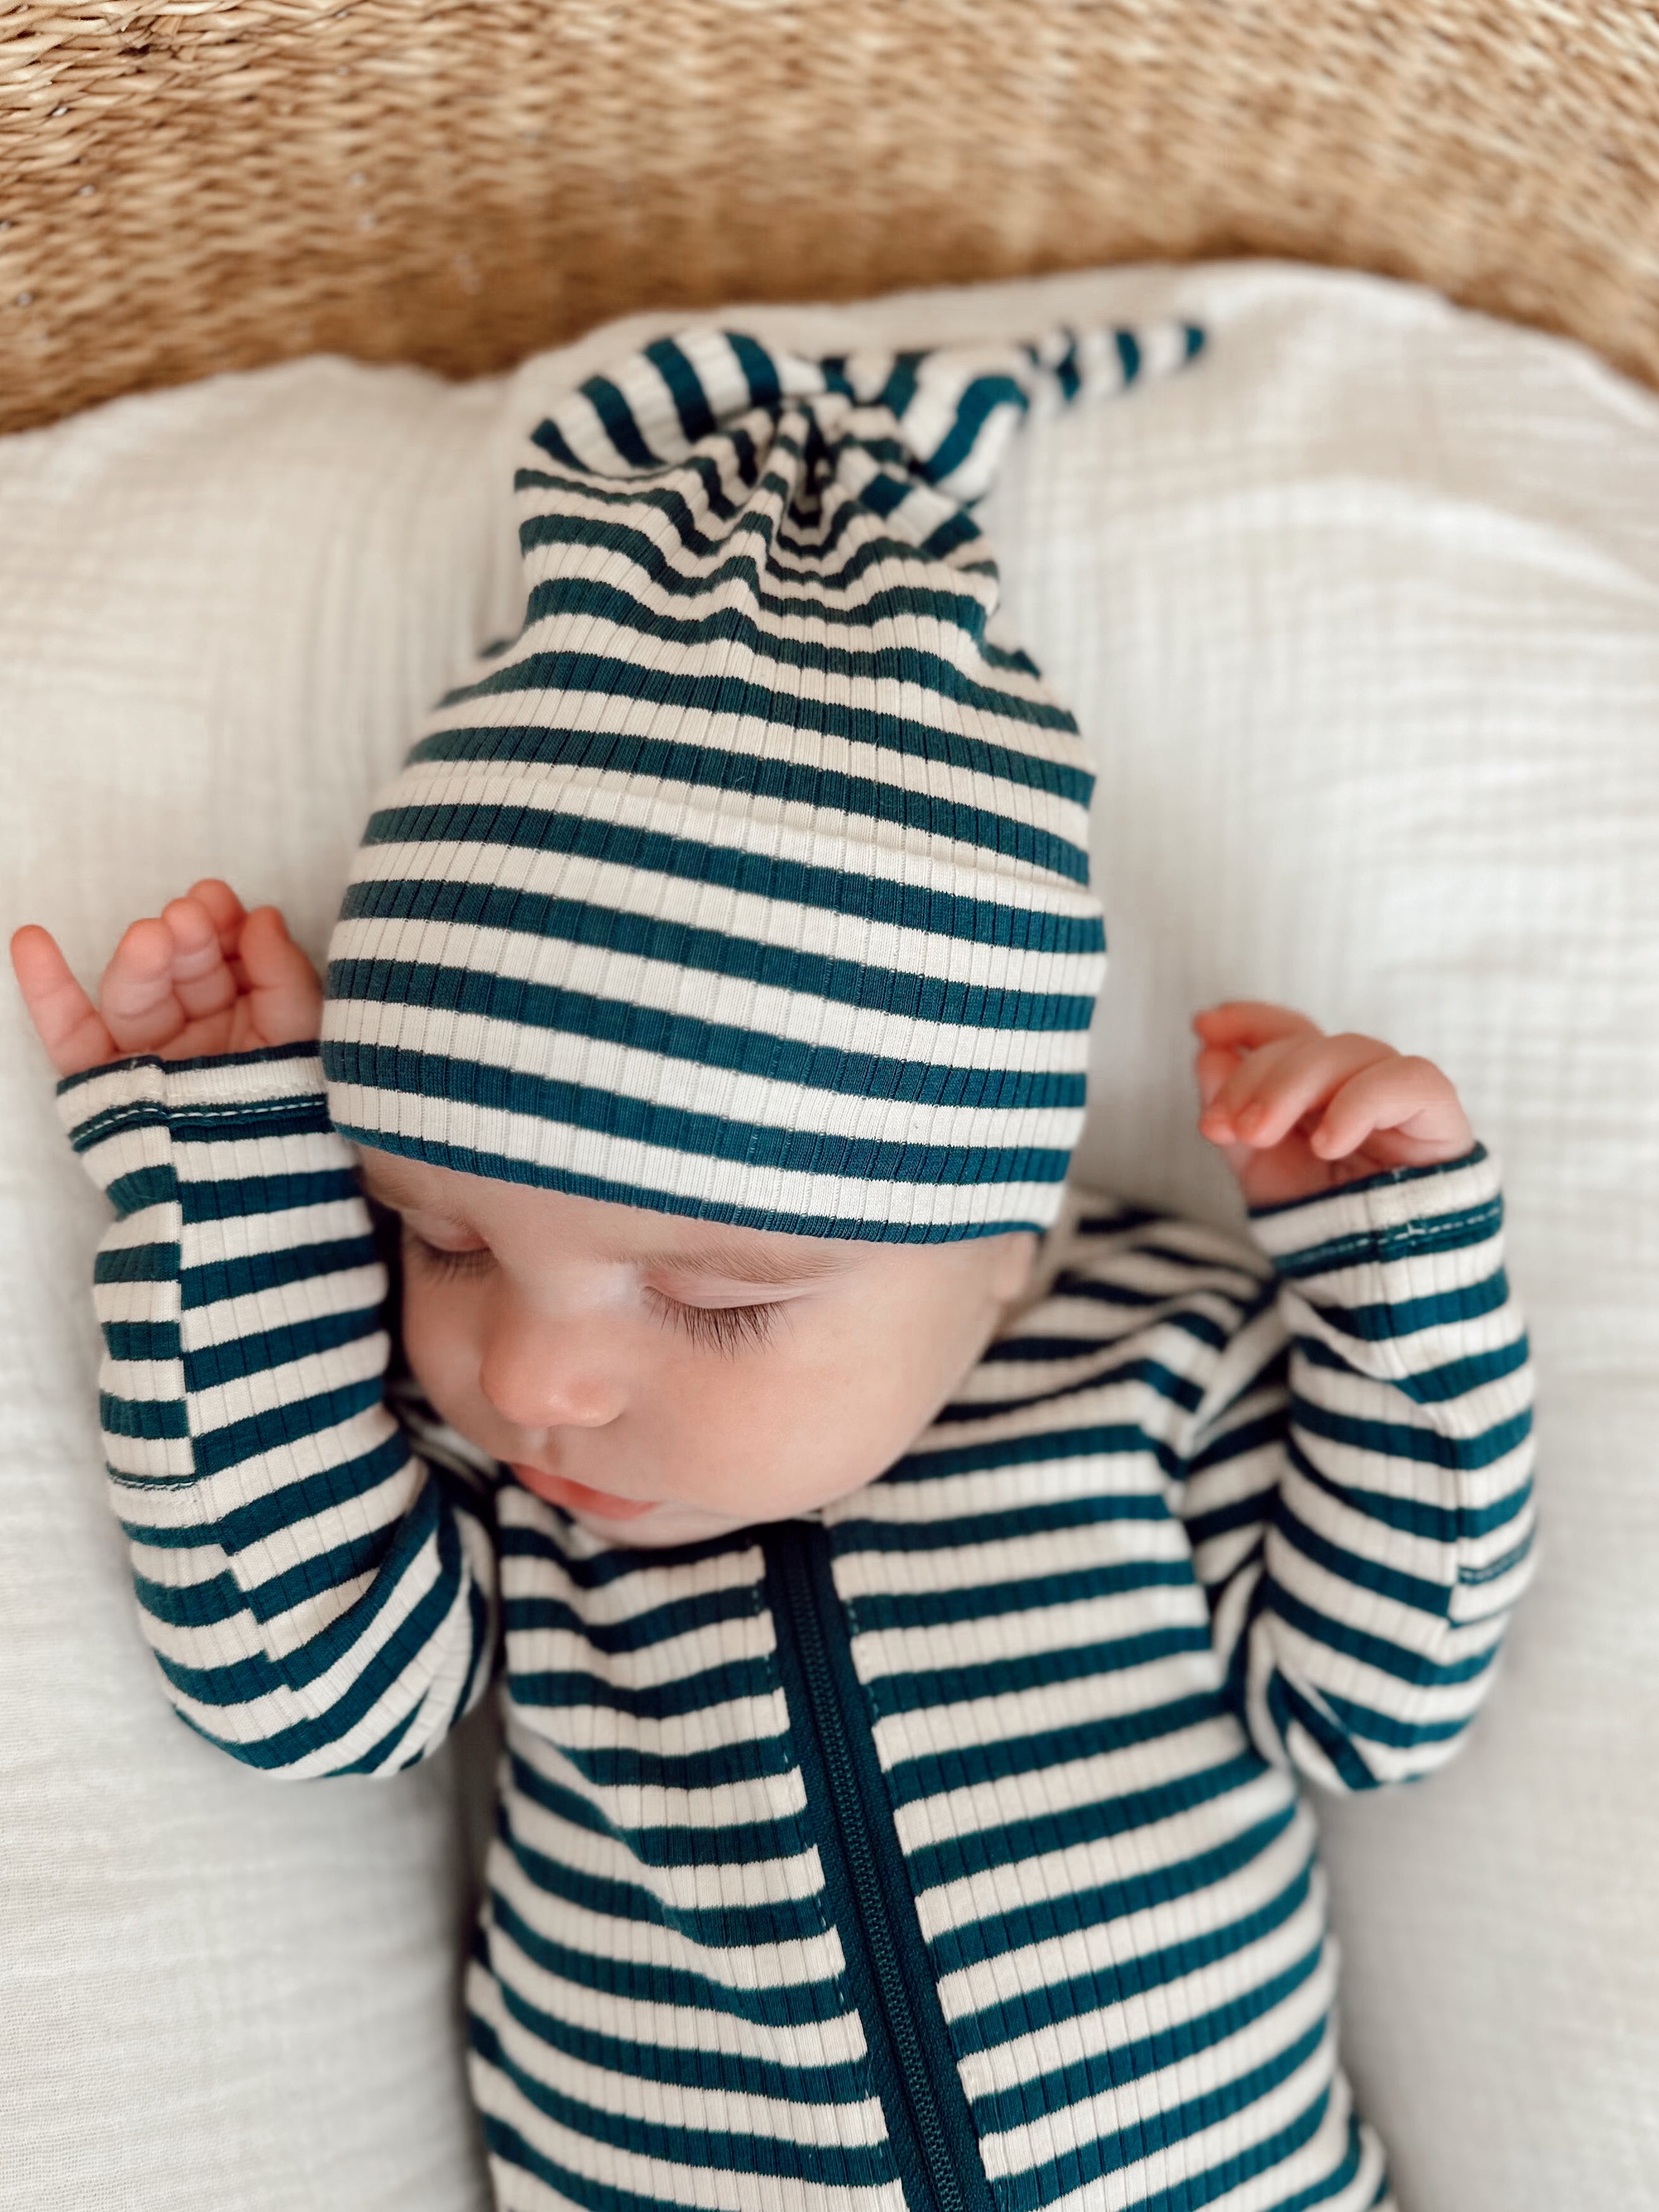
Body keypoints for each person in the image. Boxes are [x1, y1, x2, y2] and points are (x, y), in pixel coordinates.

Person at [11, 326, 1534, 2212]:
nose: (533, 1380)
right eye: (447, 1236)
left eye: (723, 1295)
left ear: (1005, 1244)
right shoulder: (510, 1509)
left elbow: (1380, 1698)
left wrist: (1386, 1253)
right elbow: (289, 1685)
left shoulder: (1150, 1369)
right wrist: (235, 1179)